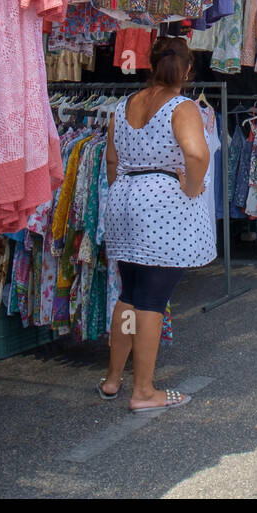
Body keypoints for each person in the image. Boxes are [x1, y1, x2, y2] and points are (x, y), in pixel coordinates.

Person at [100, 37, 216, 412]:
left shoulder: (124, 105)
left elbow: (112, 162)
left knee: (130, 294)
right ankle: (144, 391)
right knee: (152, 298)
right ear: (186, 70)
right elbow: (197, 154)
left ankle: (113, 379)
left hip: (124, 198)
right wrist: (193, 188)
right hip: (161, 202)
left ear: (151, 64)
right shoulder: (183, 107)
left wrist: (126, 192)